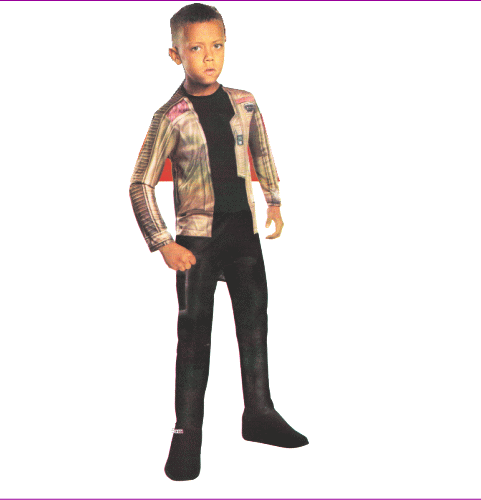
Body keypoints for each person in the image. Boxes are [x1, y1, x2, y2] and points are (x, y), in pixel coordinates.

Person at [129, 3, 309, 481]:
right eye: (196, 48)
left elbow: (262, 152)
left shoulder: (245, 102)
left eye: (217, 45)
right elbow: (139, 183)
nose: (208, 57)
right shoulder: (169, 117)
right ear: (175, 55)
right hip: (197, 240)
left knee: (255, 323)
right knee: (194, 335)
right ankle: (186, 434)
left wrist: (273, 202)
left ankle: (260, 413)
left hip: (243, 233)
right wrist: (163, 242)